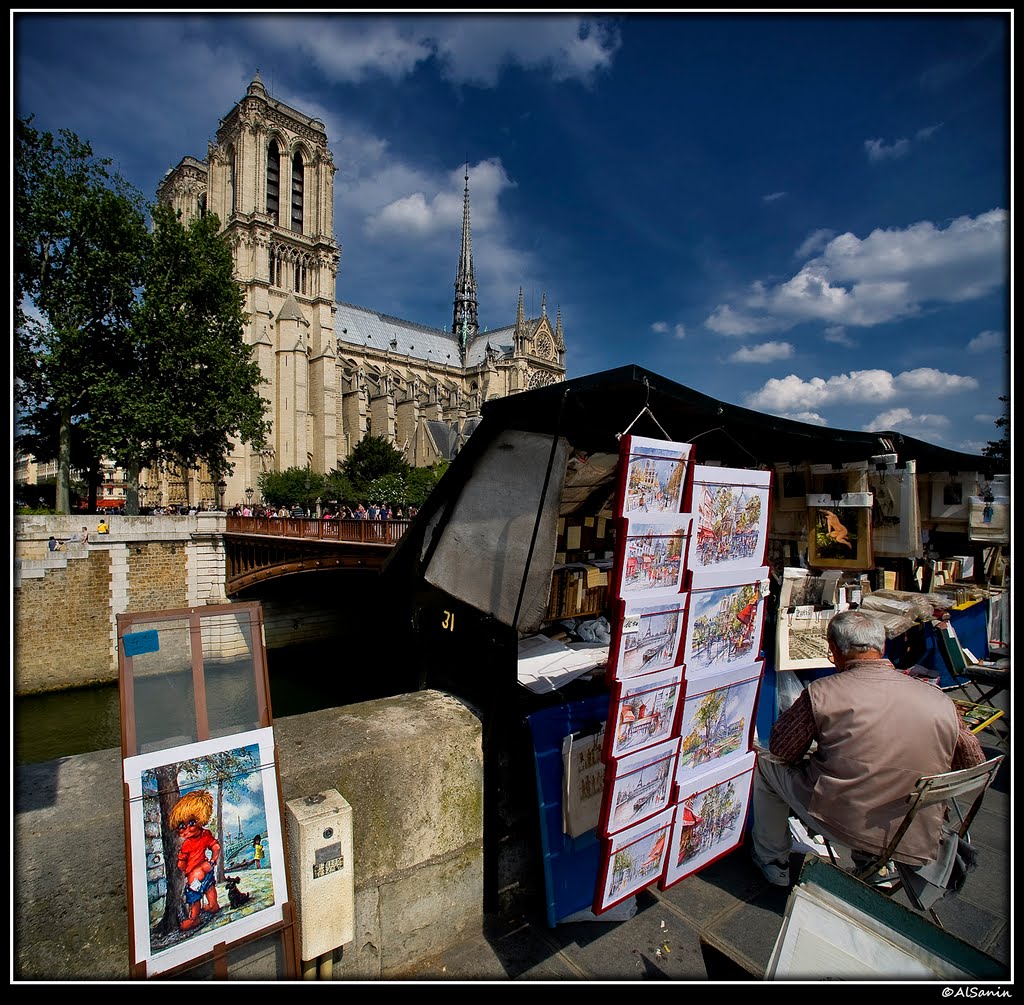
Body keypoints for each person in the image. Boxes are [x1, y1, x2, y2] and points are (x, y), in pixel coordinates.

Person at [749, 609, 984, 888]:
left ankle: (774, 860)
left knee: (765, 765)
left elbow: (782, 751)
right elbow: (973, 763)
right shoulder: (939, 699)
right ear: (882, 647)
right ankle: (875, 870)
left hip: (842, 821)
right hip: (914, 827)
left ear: (834, 650)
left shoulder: (822, 692)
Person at [169, 788, 221, 931]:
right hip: (206, 867)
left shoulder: (189, 843)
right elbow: (215, 847)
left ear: (200, 819)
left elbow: (181, 864)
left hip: (195, 875)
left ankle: (194, 918)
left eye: (191, 822)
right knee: (209, 887)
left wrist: (182, 865)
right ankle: (213, 905)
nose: (187, 829)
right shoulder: (204, 835)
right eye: (181, 826)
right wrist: (213, 860)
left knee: (194, 896)